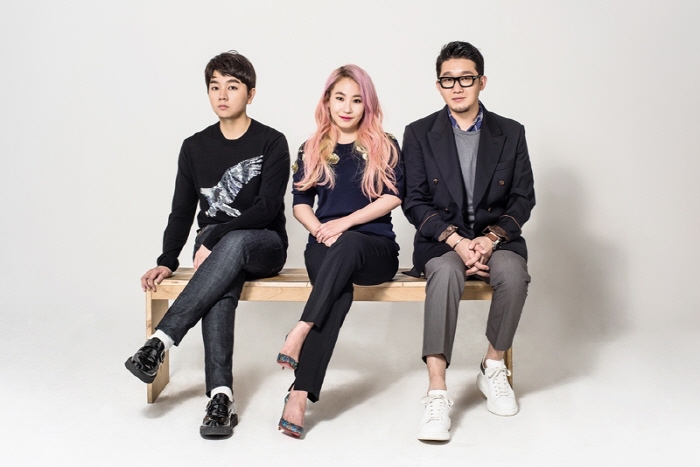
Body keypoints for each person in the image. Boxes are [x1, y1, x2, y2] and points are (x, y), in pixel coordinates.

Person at [124, 51, 290, 438]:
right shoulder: (194, 147)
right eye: (215, 87)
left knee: (232, 242)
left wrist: (215, 235)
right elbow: (182, 211)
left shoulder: (271, 142)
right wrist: (167, 259)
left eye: (232, 87)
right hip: (214, 251)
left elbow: (267, 208)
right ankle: (220, 398)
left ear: (250, 94)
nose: (222, 95)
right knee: (220, 287)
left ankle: (160, 340)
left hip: (263, 243)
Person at [402, 41, 535, 441]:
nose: (457, 87)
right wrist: (457, 242)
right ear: (438, 85)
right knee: (444, 274)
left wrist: (490, 240)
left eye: (466, 78)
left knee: (514, 274)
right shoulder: (419, 133)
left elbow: (523, 198)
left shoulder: (511, 132)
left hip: (498, 240)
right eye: (448, 80)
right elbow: (414, 200)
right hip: (442, 243)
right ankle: (437, 391)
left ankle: (492, 366)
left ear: (482, 82)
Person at [275, 65, 403, 438]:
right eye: (340, 98)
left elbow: (393, 197)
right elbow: (300, 203)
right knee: (338, 294)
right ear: (327, 101)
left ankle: (301, 328)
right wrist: (320, 229)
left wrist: (343, 224)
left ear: (367, 104)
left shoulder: (385, 144)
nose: (347, 107)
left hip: (375, 249)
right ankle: (299, 394)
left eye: (356, 100)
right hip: (325, 245)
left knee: (347, 246)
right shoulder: (311, 147)